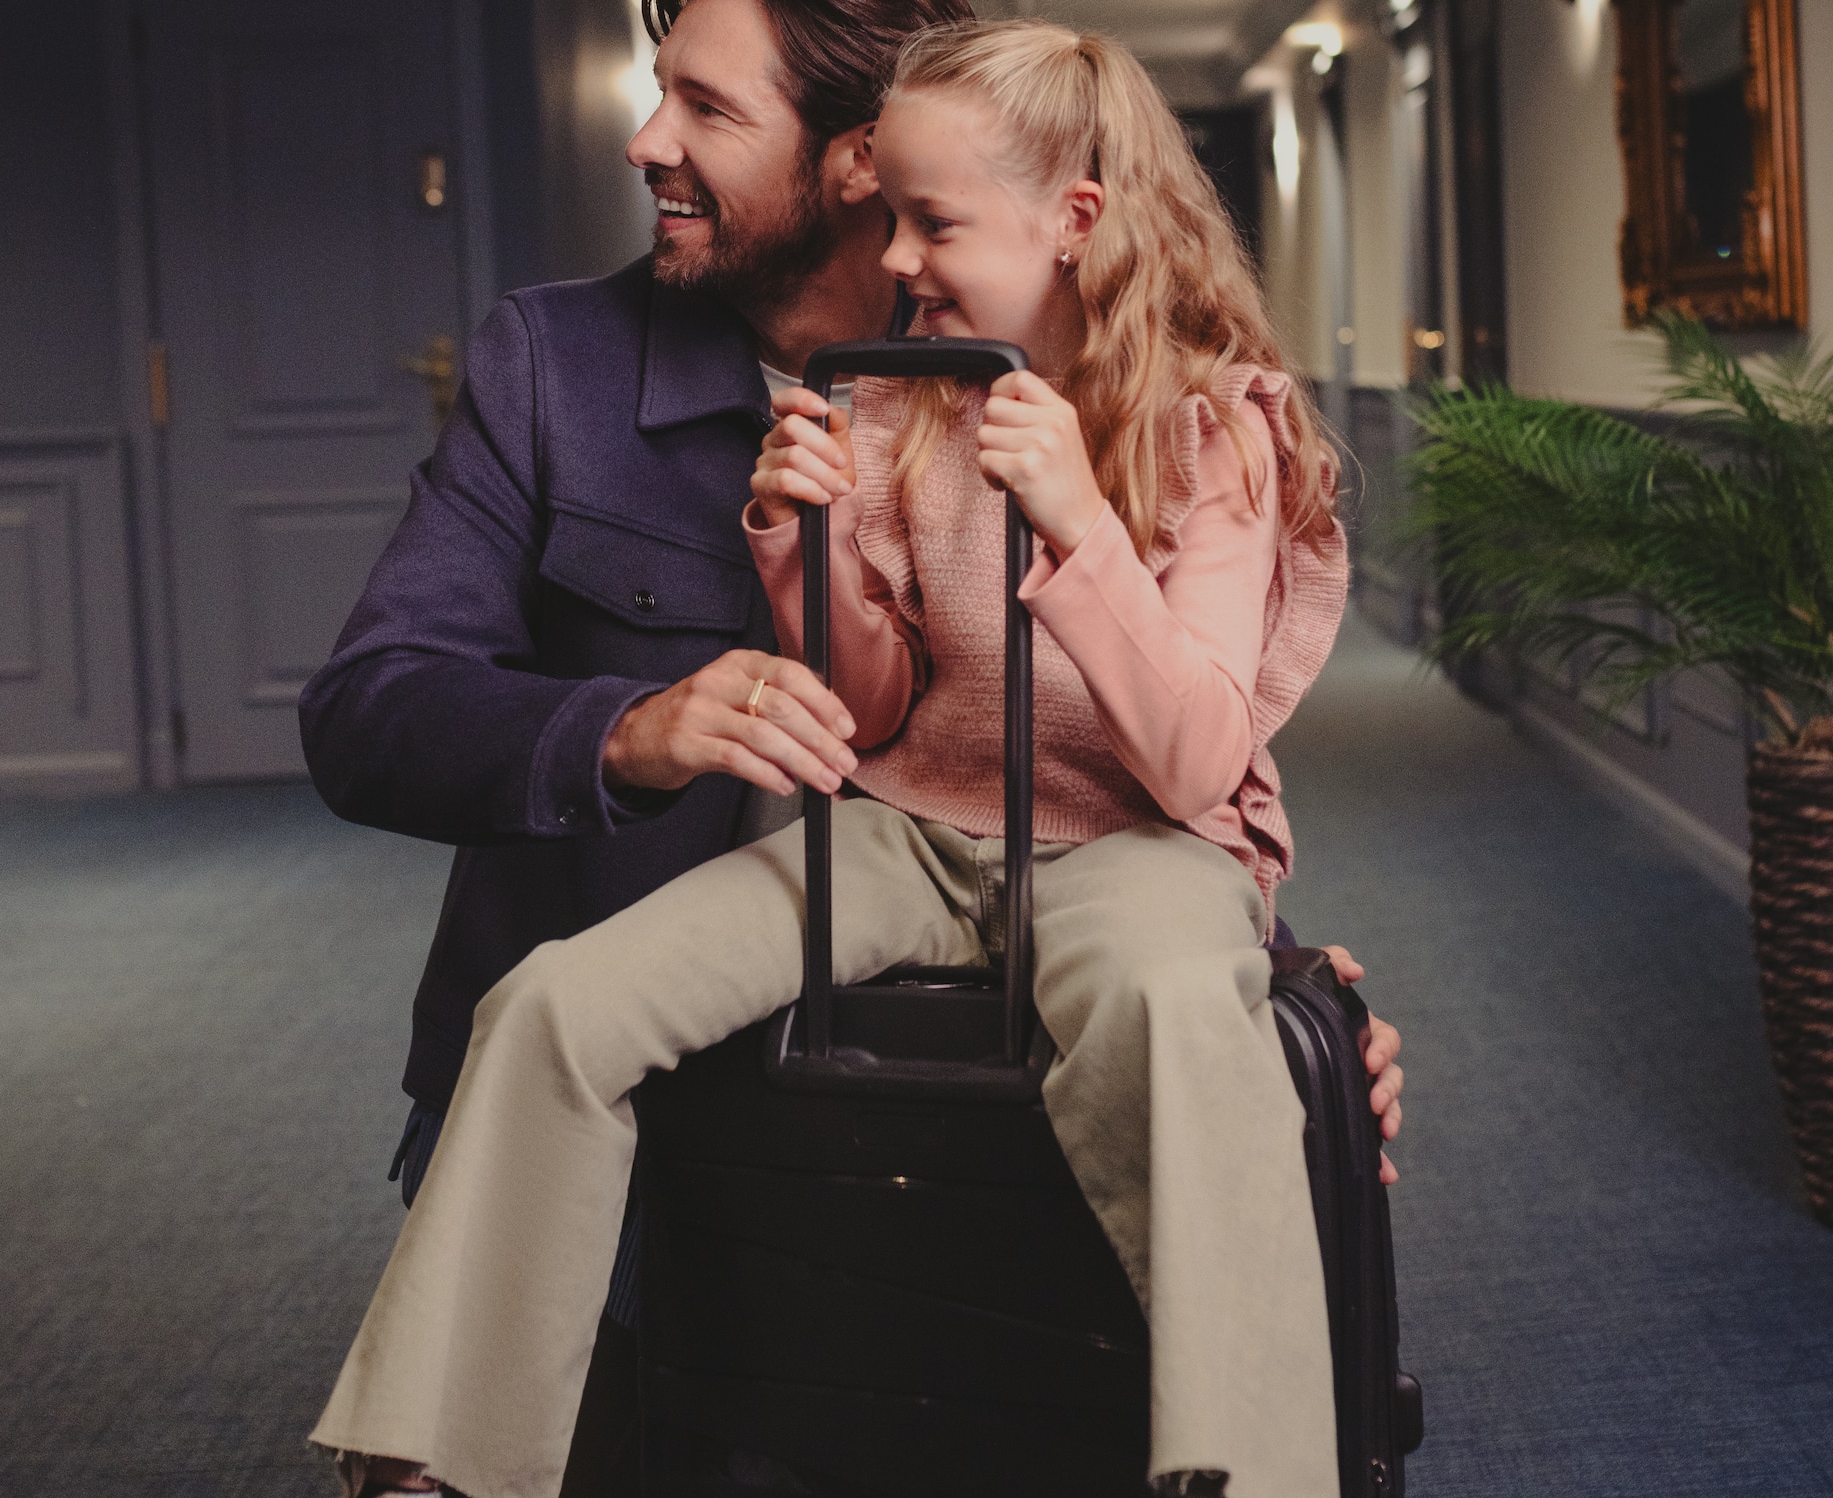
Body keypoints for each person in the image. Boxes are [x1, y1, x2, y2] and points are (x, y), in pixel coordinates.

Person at [310, 16, 1392, 1498]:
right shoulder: (832, 391)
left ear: (862, 164)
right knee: (561, 1008)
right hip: (860, 876)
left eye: (703, 104)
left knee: (1186, 1031)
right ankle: (431, 1468)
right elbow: (868, 710)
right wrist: (777, 569)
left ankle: (1253, 1473)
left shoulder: (1184, 414)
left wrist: (1303, 1013)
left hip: (1099, 881)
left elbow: (1198, 765)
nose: (649, 144)